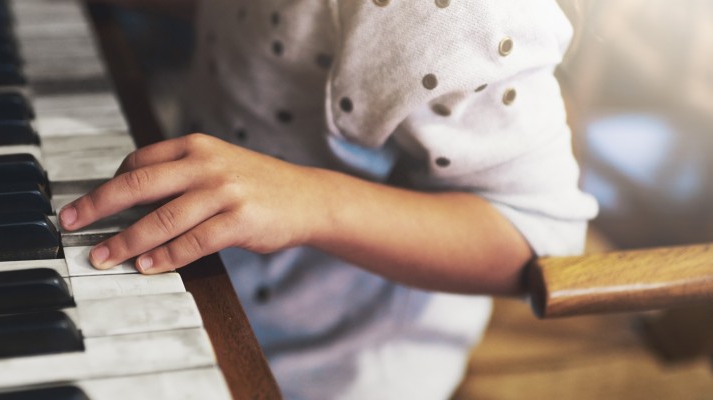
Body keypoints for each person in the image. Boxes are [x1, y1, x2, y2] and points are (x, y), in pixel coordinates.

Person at [61, 1, 599, 398]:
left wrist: (310, 200)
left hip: (324, 363)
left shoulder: (450, 16)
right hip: (205, 279)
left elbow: (540, 237)